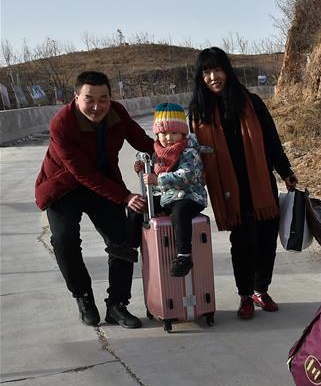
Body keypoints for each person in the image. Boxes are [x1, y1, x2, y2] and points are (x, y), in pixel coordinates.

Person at [35, 71, 153, 328]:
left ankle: (117, 305)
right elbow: (82, 172)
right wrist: (124, 196)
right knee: (64, 241)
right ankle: (83, 296)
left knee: (122, 241)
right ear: (76, 97)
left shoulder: (117, 114)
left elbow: (144, 142)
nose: (97, 106)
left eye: (104, 98)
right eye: (89, 99)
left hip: (102, 183)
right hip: (64, 187)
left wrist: (177, 154)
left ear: (111, 97)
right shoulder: (62, 123)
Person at [189, 47, 298, 319]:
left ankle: (261, 290)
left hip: (260, 184)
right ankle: (245, 295)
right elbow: (188, 152)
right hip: (229, 191)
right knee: (242, 242)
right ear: (200, 77)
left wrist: (286, 171)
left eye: (218, 70)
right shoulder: (198, 112)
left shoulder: (251, 102)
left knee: (266, 240)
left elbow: (272, 141)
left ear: (227, 70)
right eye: (207, 72)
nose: (213, 76)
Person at [135, 102, 207, 277]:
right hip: (168, 196)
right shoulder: (158, 151)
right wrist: (143, 169)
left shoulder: (189, 150)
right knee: (138, 205)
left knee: (180, 212)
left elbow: (186, 175)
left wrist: (157, 180)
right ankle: (130, 245)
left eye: (174, 133)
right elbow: (153, 172)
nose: (168, 138)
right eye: (163, 133)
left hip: (190, 196)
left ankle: (184, 255)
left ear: (183, 133)